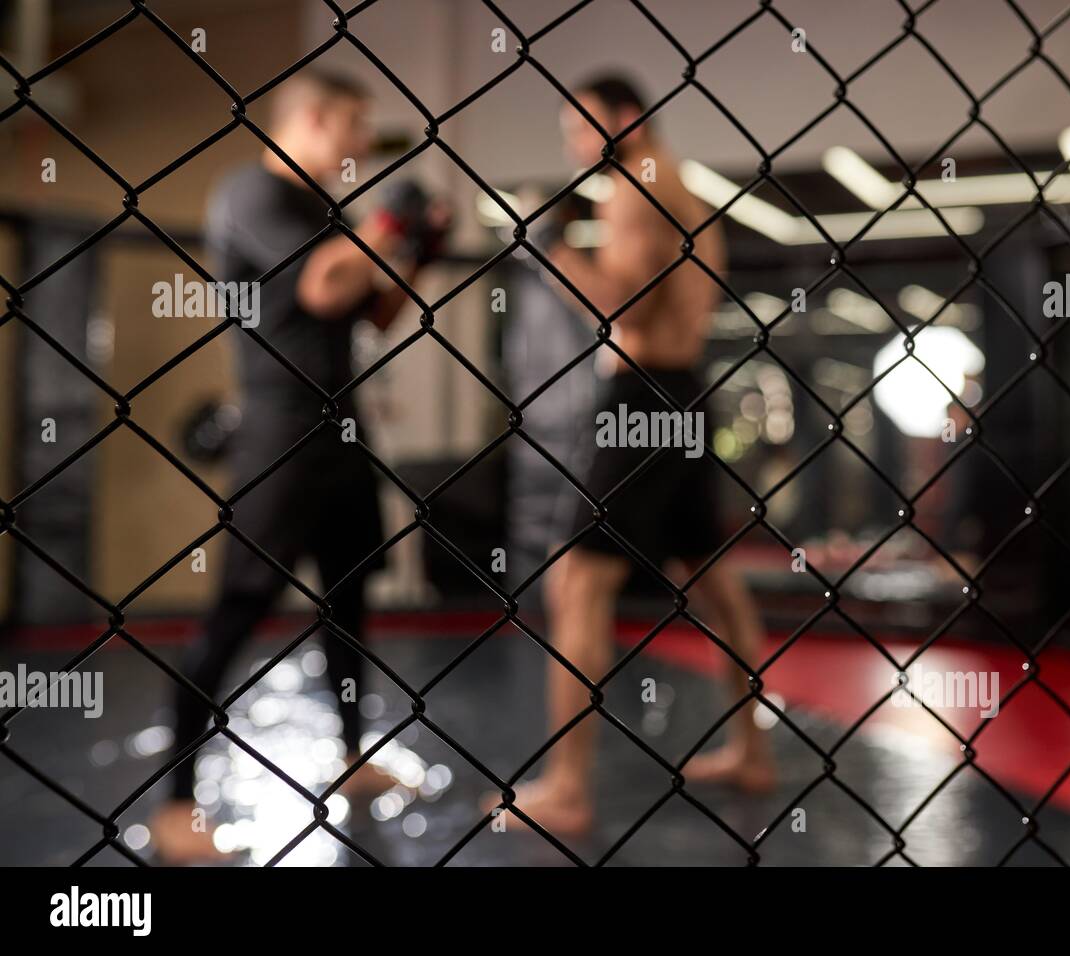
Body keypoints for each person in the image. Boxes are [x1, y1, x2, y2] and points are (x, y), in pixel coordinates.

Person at [151, 68, 447, 862]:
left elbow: (378, 309)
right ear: (314, 119)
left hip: (342, 431)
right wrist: (389, 222)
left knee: (348, 600)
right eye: (354, 125)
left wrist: (418, 247)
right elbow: (322, 287)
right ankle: (174, 806)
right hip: (279, 435)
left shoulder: (328, 210)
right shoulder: (252, 194)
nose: (360, 143)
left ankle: (350, 755)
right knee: (239, 610)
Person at [488, 74, 775, 836]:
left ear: (629, 119)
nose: (577, 144)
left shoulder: (636, 189)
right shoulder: (682, 189)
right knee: (714, 583)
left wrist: (546, 244)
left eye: (584, 127)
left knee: (577, 583)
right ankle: (752, 751)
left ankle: (568, 791)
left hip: (642, 399)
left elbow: (625, 304)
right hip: (682, 394)